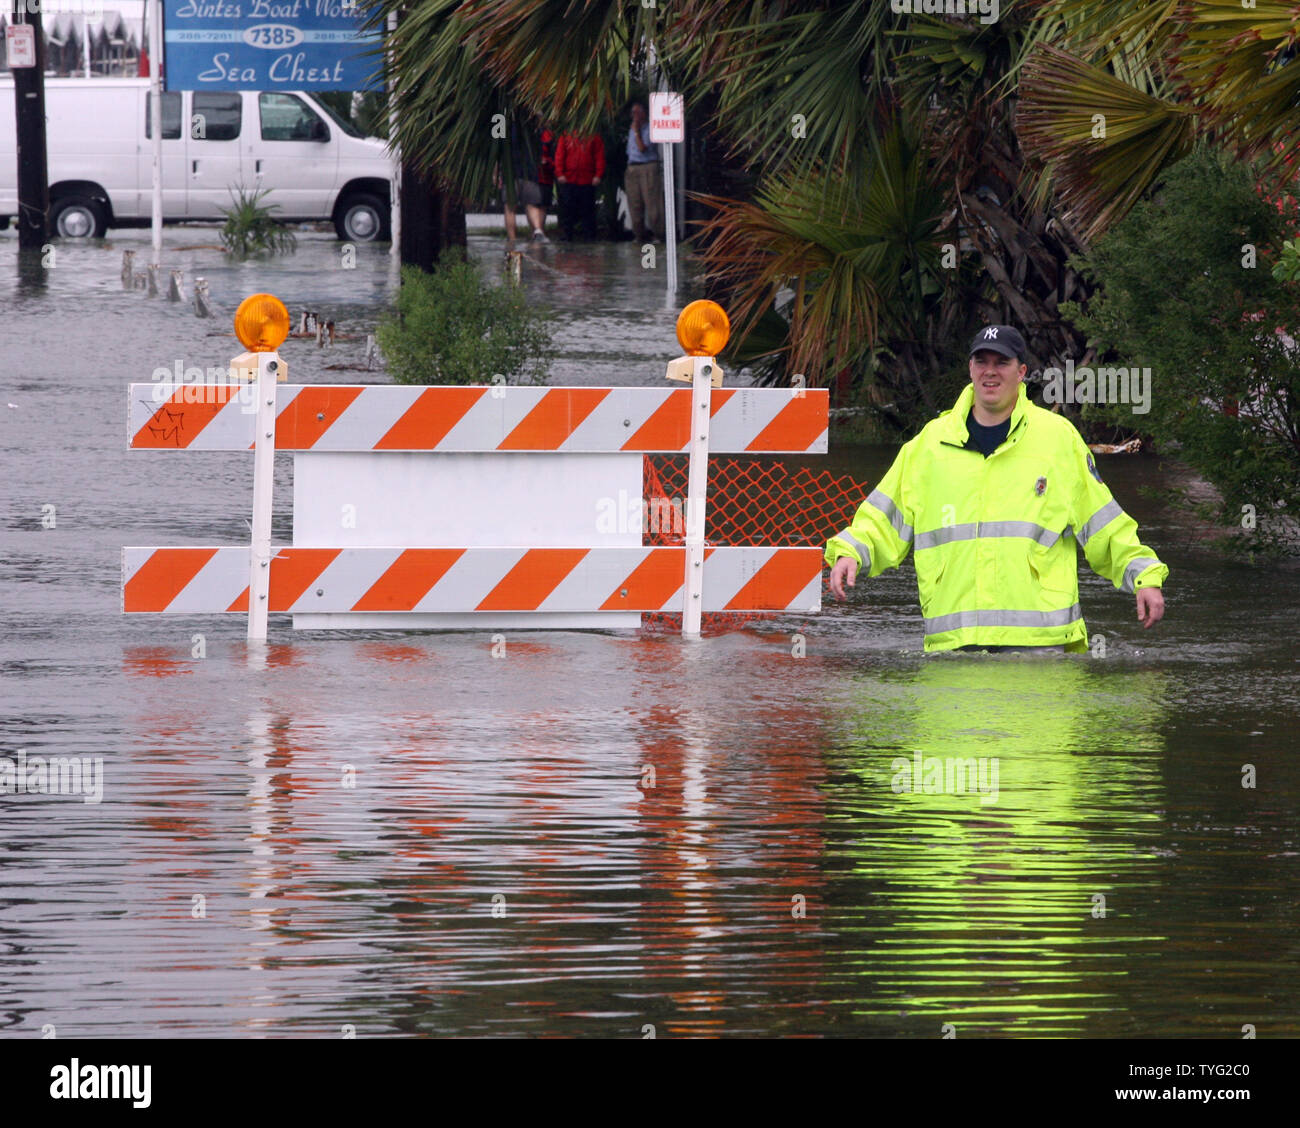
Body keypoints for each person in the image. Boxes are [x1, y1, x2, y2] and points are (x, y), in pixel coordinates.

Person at [826, 325, 1168, 653]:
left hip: (1040, 648)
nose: (990, 372)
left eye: (1001, 362)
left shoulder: (1057, 440)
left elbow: (1103, 523)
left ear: (1021, 372)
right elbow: (884, 519)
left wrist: (1143, 575)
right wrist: (851, 552)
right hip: (955, 646)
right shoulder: (929, 444)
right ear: (970, 368)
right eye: (982, 361)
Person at [502, 124, 555, 243]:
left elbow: (497, 145)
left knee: (510, 206)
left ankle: (512, 239)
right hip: (529, 172)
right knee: (532, 204)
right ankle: (537, 231)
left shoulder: (504, 122)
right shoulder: (534, 125)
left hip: (510, 172)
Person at [623, 102, 663, 243]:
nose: (635, 116)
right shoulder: (631, 129)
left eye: (638, 113)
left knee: (653, 203)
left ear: (644, 114)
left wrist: (636, 131)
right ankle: (639, 234)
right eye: (633, 113)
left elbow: (642, 148)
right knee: (634, 203)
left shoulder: (648, 129)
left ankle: (658, 234)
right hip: (633, 167)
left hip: (648, 167)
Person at [555, 132, 606, 241]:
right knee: (568, 209)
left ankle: (589, 236)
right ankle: (567, 235)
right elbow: (560, 154)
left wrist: (598, 175)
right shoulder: (565, 135)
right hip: (569, 178)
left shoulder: (593, 135)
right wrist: (560, 173)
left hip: (587, 179)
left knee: (588, 209)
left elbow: (599, 156)